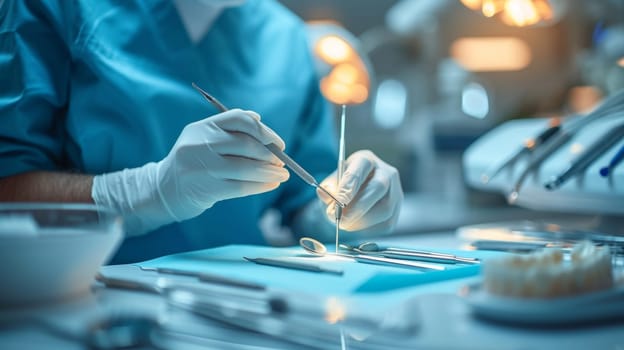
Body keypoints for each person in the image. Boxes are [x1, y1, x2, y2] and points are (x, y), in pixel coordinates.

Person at [0, 0, 403, 264]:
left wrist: (349, 207)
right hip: (85, 307)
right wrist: (146, 192)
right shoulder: (57, 8)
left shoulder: (287, 38)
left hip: (253, 309)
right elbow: (9, 188)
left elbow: (302, 204)